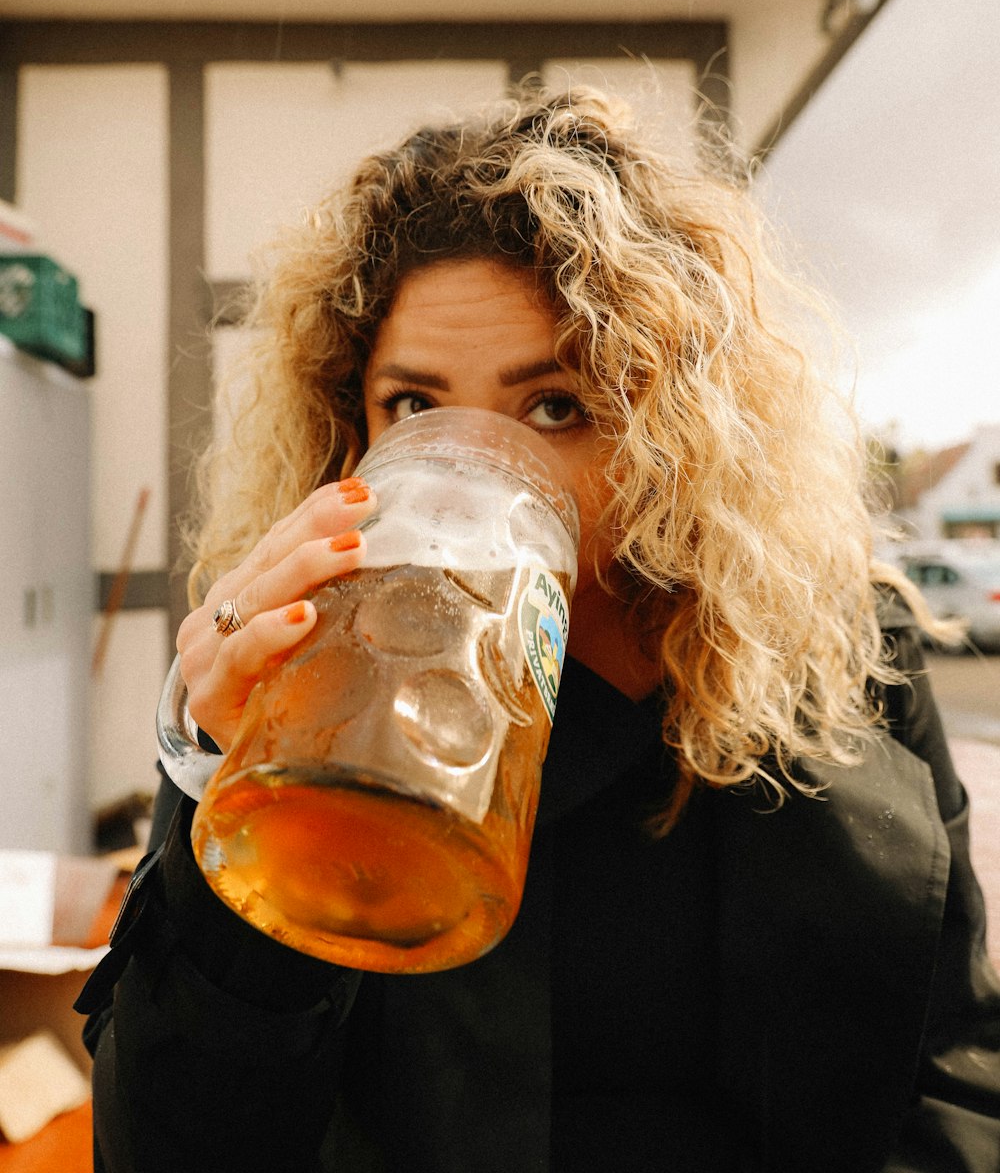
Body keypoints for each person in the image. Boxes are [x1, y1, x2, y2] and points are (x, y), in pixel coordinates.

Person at [77, 86, 1000, 1172]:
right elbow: (167, 1146)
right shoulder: (316, 678)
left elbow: (951, 1059)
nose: (469, 476)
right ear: (351, 425)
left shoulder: (843, 646)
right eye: (415, 407)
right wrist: (213, 786)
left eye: (554, 405)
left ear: (668, 427)